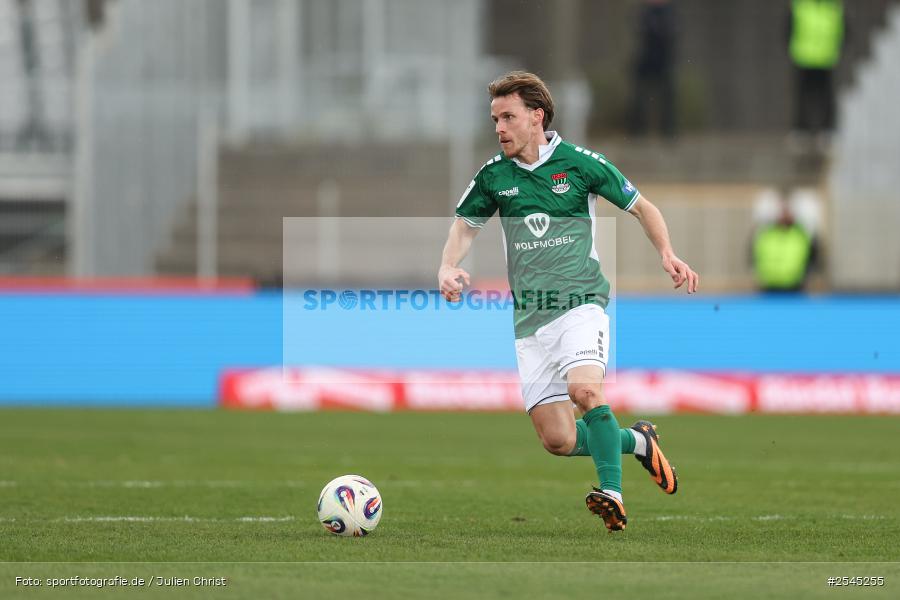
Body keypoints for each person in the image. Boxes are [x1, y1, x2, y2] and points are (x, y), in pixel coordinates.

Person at [437, 71, 699, 531]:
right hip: (529, 319)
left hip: (581, 302)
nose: (498, 127)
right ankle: (636, 442)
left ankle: (612, 493)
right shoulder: (495, 176)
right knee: (557, 440)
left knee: (585, 391)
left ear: (536, 117)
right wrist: (447, 266)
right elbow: (464, 225)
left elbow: (642, 207)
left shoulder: (579, 164)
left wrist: (667, 253)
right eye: (495, 118)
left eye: (508, 117)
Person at [787, 0, 846, 147]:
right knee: (803, 95)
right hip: (804, 56)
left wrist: (839, 49)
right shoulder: (800, 5)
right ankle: (801, 129)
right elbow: (788, 28)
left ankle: (828, 129)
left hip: (826, 57)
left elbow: (844, 30)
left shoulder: (834, 6)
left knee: (826, 95)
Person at [627, 0, 678, 138]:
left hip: (664, 60)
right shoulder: (645, 12)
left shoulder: (670, 12)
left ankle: (668, 130)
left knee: (668, 96)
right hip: (647, 59)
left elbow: (672, 35)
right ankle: (638, 130)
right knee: (640, 95)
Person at [752, 200, 818, 292]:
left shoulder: (802, 234)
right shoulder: (765, 234)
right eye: (781, 212)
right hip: (768, 287)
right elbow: (754, 256)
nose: (784, 215)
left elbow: (812, 258)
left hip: (795, 287)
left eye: (787, 211)